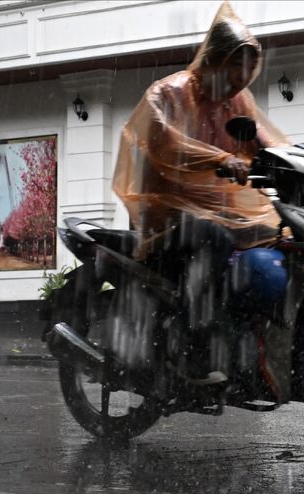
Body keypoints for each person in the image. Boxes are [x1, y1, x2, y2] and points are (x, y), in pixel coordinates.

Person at [112, 0, 287, 385]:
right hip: (168, 217)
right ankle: (192, 348)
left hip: (214, 212)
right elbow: (165, 145)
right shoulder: (169, 93)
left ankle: (248, 340)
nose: (242, 76)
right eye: (235, 65)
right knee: (212, 238)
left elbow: (261, 139)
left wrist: (297, 165)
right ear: (214, 60)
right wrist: (218, 159)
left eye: (248, 66)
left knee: (279, 234)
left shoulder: (236, 103)